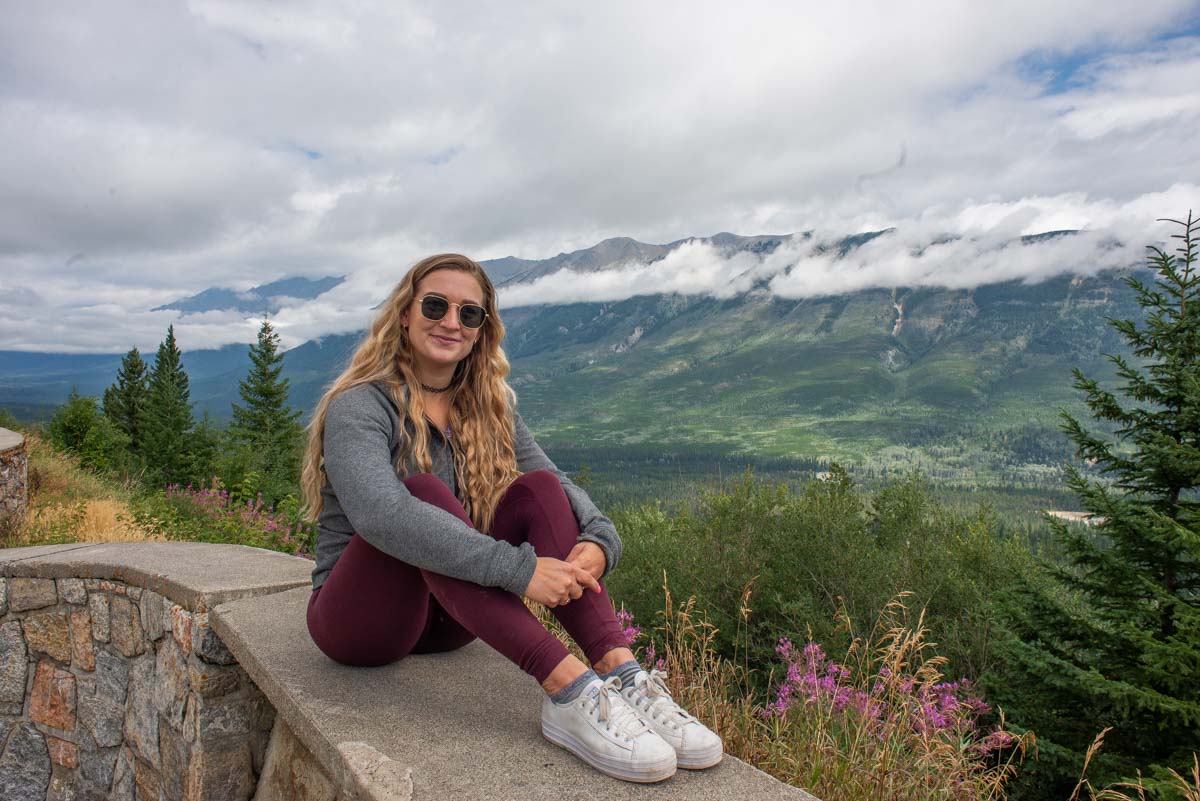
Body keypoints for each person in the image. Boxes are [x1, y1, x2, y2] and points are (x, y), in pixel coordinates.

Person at [300, 253, 722, 783]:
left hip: (451, 619)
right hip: (360, 626)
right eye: (436, 305)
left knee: (539, 490)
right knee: (423, 492)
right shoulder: (361, 405)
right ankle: (569, 692)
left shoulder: (488, 406)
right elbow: (380, 515)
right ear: (405, 314)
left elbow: (555, 483)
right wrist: (520, 570)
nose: (451, 322)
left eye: (469, 314)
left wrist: (600, 536)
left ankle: (623, 675)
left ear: (481, 331)